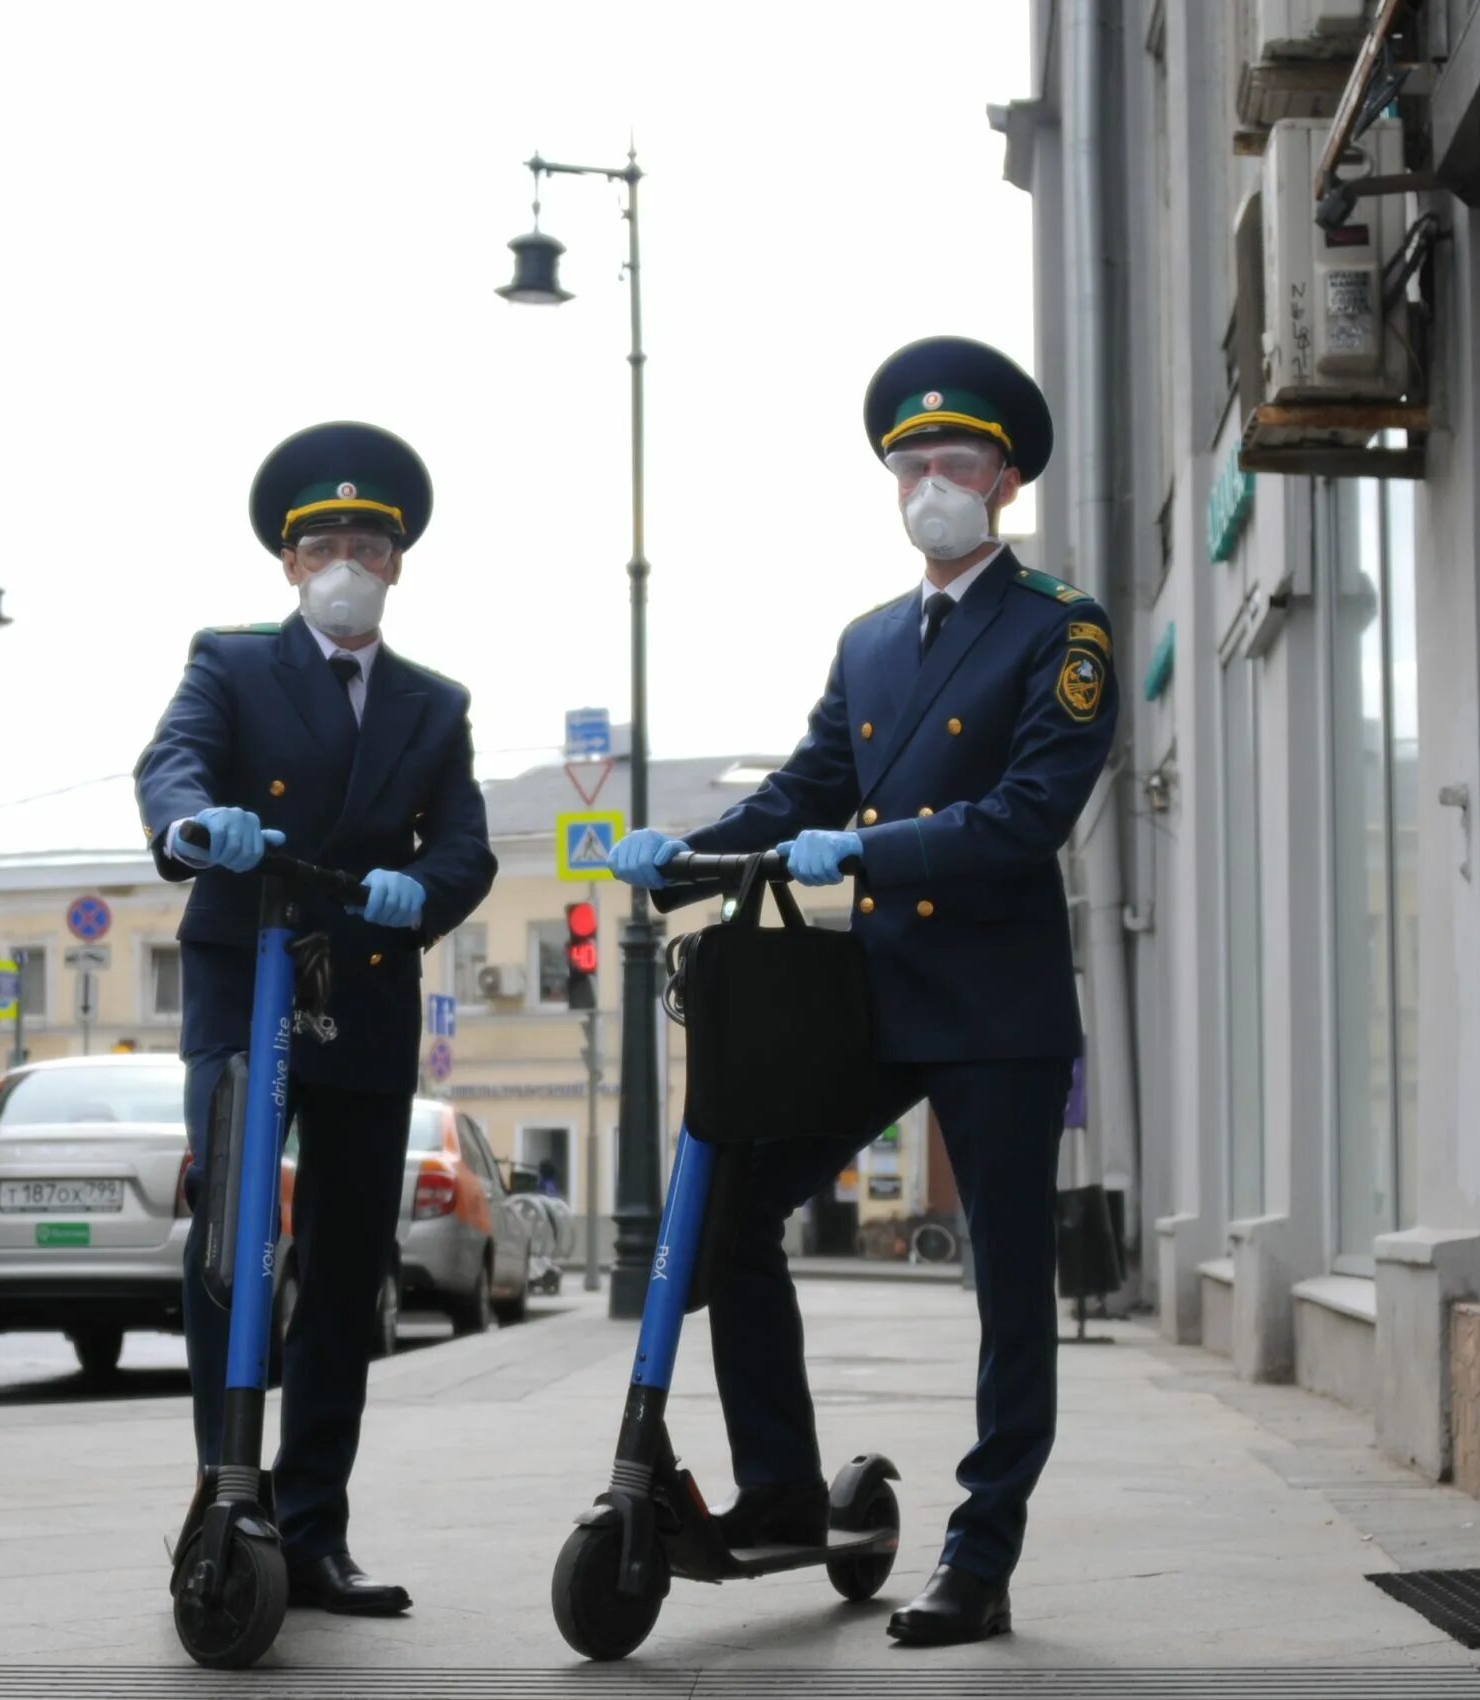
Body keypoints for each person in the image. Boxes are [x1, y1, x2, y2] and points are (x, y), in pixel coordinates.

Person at [607, 336, 1116, 1646]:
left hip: (994, 1008)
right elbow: (802, 791)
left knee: (1009, 1286)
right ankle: (781, 1493)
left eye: (951, 463)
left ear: (1004, 479)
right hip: (873, 999)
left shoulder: (1061, 627)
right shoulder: (874, 640)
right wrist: (684, 856)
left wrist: (875, 848)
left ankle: (979, 1555)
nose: (926, 485)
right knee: (729, 1222)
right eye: (907, 465)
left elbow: (1023, 819)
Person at [134, 420, 497, 1617]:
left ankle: (313, 1525)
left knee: (345, 1266)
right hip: (249, 983)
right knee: (234, 1242)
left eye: (368, 545)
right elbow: (174, 762)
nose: (347, 562)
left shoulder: (432, 705)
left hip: (366, 990)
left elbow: (463, 844)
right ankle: (223, 1498)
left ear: (397, 565)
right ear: (290, 563)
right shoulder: (232, 663)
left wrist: (424, 892)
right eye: (325, 543)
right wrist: (199, 826)